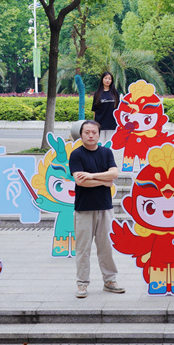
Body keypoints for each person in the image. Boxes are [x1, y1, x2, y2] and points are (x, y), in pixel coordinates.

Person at [68, 120, 125, 297]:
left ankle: (110, 281)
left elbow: (114, 174)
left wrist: (92, 176)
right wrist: (104, 181)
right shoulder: (76, 155)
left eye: (94, 132)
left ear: (99, 134)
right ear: (81, 134)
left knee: (106, 246)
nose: (91, 135)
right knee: (83, 248)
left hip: (105, 208)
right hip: (84, 209)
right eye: (87, 132)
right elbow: (79, 181)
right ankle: (82, 284)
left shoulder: (106, 152)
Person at [92, 72, 119, 145]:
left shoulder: (115, 93)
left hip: (112, 123)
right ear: (102, 80)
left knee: (110, 144)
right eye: (106, 78)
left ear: (112, 81)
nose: (107, 80)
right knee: (100, 144)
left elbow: (118, 108)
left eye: (109, 79)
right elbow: (94, 110)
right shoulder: (97, 93)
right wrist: (94, 124)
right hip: (100, 123)